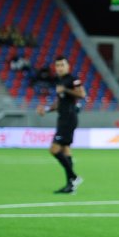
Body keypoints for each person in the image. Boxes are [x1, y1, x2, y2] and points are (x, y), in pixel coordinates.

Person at [36, 56, 85, 194]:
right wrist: (46, 109)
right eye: (57, 65)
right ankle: (70, 186)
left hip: (68, 119)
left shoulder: (72, 80)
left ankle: (74, 177)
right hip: (63, 118)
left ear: (68, 66)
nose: (59, 68)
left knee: (54, 149)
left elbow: (82, 94)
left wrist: (65, 90)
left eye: (62, 65)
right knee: (66, 151)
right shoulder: (61, 81)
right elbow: (59, 103)